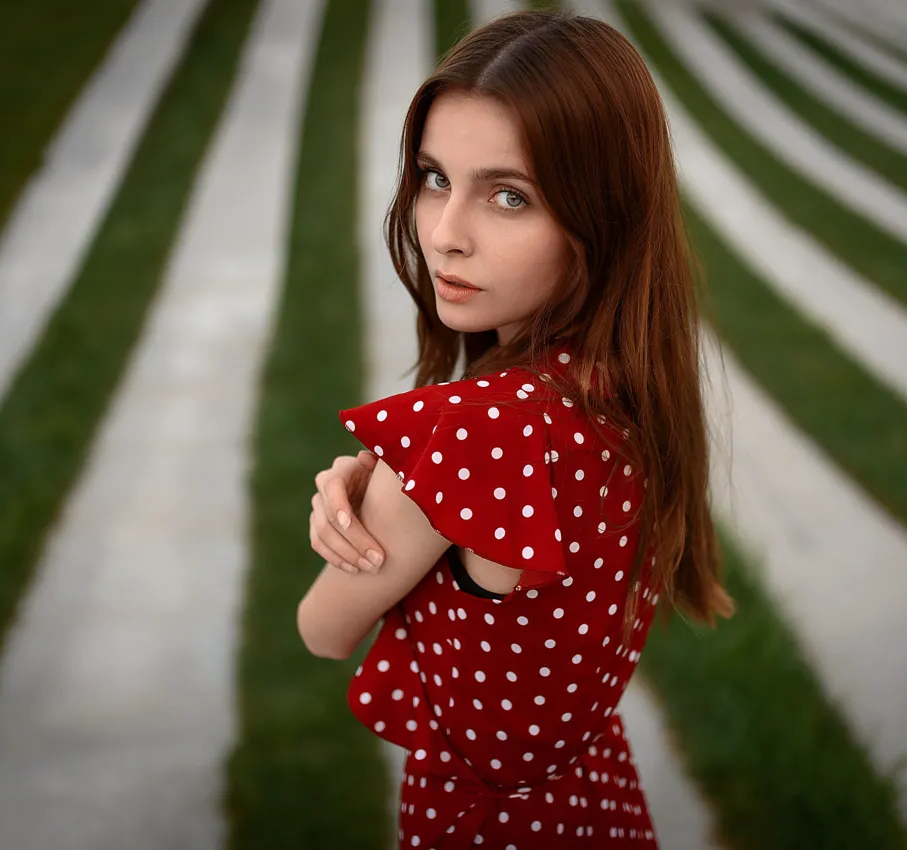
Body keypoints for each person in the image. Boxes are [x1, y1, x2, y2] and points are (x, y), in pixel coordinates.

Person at [296, 9, 734, 848]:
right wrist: (392, 485)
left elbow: (323, 628)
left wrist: (366, 512)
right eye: (433, 178)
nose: (445, 235)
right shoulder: (622, 389)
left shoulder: (478, 429)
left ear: (599, 219)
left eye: (508, 195)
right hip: (592, 803)